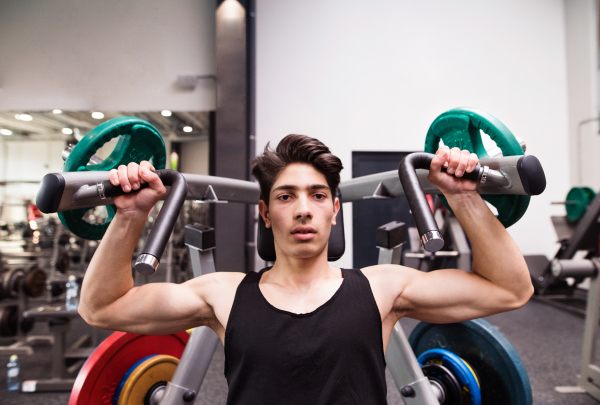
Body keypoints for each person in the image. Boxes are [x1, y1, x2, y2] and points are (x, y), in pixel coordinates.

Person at [79, 134, 534, 404]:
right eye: (285, 196)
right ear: (264, 213)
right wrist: (131, 214)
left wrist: (464, 197)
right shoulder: (223, 294)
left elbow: (510, 290)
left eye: (317, 196)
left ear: (335, 210)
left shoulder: (382, 288)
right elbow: (102, 307)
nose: (303, 210)